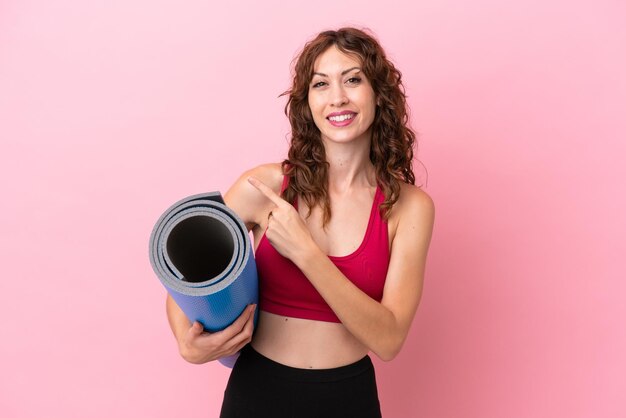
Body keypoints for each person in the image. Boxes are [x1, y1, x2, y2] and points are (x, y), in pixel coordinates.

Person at [165, 27, 435, 417]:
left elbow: (389, 339)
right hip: (257, 393)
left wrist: (307, 254)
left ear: (379, 93)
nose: (337, 97)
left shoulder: (408, 206)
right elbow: (185, 283)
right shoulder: (266, 186)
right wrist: (186, 342)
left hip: (347, 399)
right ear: (307, 102)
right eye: (321, 84)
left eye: (353, 80)